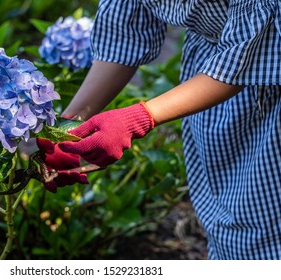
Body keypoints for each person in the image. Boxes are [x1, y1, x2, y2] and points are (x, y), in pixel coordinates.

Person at [37, 0, 281, 260]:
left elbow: (252, 50)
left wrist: (139, 118)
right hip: (208, 79)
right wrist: (70, 127)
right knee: (227, 220)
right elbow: (125, 30)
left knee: (261, 226)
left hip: (263, 80)